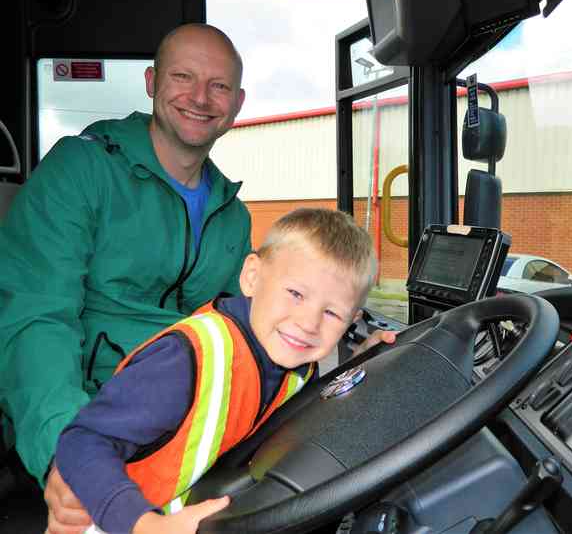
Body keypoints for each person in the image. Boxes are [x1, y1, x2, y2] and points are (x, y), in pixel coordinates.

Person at [0, 22, 250, 530]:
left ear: (237, 102)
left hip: (179, 437)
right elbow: (35, 319)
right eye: (183, 77)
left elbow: (242, 337)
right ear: (151, 82)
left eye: (218, 86)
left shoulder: (234, 215)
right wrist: (69, 453)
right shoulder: (81, 170)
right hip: (81, 417)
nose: (200, 97)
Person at [54, 208, 380, 534]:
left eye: (331, 314)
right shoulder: (186, 359)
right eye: (295, 294)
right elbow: (81, 441)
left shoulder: (297, 366)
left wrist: (364, 362)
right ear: (252, 276)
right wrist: (145, 525)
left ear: (351, 323)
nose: (308, 324)